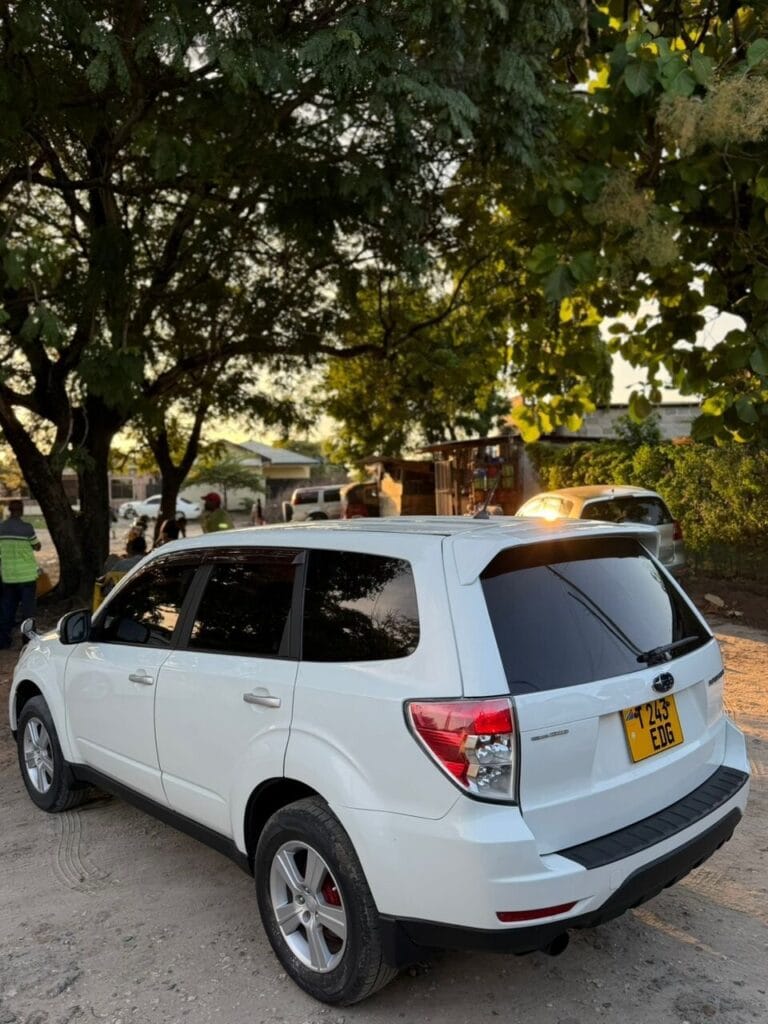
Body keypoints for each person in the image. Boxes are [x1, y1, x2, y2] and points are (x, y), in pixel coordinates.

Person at [0, 499, 42, 649]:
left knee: (7, 609)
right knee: (28, 611)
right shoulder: (27, 528)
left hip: (8, 575)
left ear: (9, 510)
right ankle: (28, 641)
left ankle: (3, 641)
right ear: (22, 510)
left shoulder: (1, 528)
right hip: (27, 576)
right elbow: (37, 546)